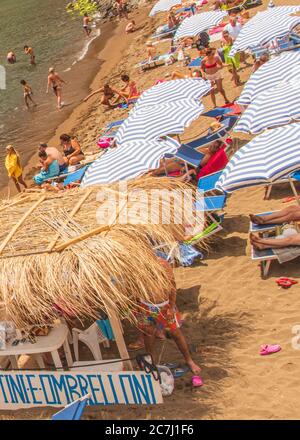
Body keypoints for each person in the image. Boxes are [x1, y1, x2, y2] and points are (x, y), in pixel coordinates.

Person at [133, 257, 201, 375]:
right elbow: (133, 289)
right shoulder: (137, 267)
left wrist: (171, 306)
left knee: (176, 333)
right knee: (148, 335)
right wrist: (139, 308)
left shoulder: (162, 264)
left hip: (165, 306)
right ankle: (152, 363)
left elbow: (172, 286)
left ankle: (189, 361)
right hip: (145, 307)